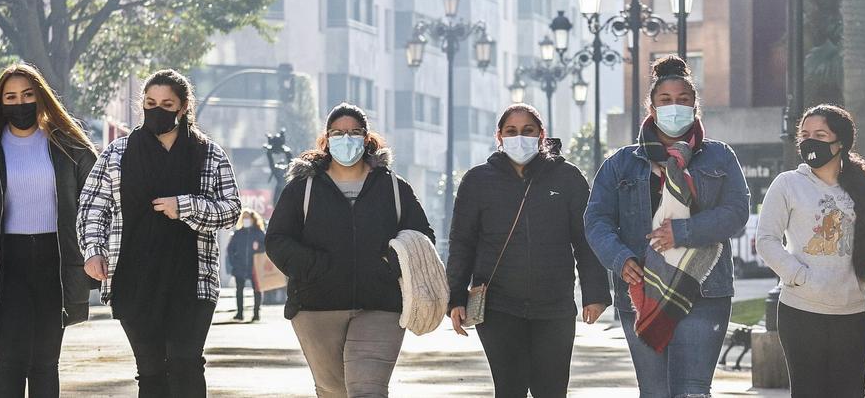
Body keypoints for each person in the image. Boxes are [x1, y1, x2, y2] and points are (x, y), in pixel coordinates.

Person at [584, 56, 751, 398]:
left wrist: (684, 232)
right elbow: (596, 219)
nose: (675, 106)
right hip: (643, 290)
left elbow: (736, 211)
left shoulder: (719, 156)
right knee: (655, 392)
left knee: (692, 391)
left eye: (683, 100)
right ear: (651, 106)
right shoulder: (621, 163)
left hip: (705, 291)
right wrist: (619, 259)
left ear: (695, 106)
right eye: (665, 100)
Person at [77, 69, 241, 397]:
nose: (157, 109)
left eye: (167, 103)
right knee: (150, 372)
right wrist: (93, 249)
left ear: (182, 108)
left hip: (192, 281)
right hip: (134, 279)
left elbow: (232, 211)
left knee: (185, 363)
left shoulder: (209, 154)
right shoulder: (117, 153)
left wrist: (186, 206)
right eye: (151, 102)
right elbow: (92, 206)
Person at [0, 63, 99, 397]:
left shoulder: (68, 146)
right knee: (10, 364)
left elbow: (99, 202)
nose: (20, 103)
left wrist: (92, 254)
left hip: (54, 262)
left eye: (28, 95)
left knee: (45, 363)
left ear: (41, 97)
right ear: (0, 103)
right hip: (5, 265)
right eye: (11, 97)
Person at [266, 103, 435, 398]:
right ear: (327, 139)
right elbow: (278, 240)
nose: (346, 139)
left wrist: (389, 264)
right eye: (338, 133)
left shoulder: (393, 187)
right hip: (316, 306)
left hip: (380, 305)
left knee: (368, 391)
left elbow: (422, 237)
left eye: (354, 132)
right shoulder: (303, 188)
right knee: (333, 391)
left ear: (367, 139)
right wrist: (315, 267)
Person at [446, 103, 611, 397]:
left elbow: (585, 239)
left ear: (541, 134)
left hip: (555, 306)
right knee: (510, 389)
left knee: (551, 390)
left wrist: (595, 294)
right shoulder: (477, 181)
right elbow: (462, 242)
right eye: (511, 131)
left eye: (527, 131)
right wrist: (455, 296)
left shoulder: (568, 178)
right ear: (499, 136)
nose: (519, 138)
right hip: (497, 306)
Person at [756, 105, 865, 398]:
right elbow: (766, 239)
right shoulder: (787, 184)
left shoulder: (864, 187)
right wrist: (798, 276)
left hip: (853, 313)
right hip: (800, 312)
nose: (810, 141)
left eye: (820, 135)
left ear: (841, 142)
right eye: (805, 135)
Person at [227, 209, 267, 322]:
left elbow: (267, 247)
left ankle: (256, 314)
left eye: (247, 218)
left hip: (255, 267)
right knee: (239, 291)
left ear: (252, 219)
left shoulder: (259, 233)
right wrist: (233, 263)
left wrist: (258, 247)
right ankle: (239, 314)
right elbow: (230, 250)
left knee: (257, 291)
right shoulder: (238, 233)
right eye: (244, 218)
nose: (246, 220)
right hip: (239, 267)